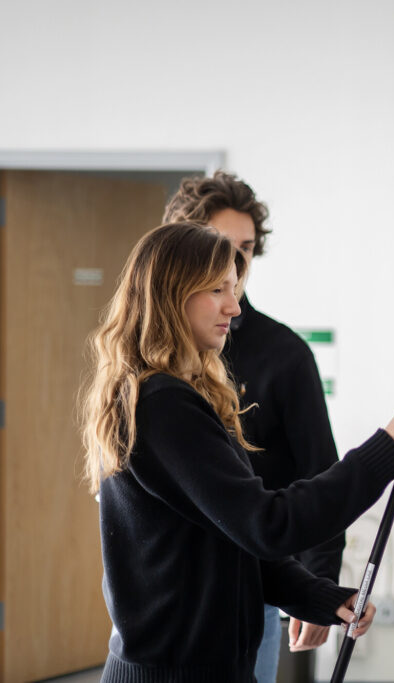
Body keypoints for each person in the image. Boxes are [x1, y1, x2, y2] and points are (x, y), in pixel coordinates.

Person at [80, 222, 394, 682]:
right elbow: (268, 524)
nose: (233, 306)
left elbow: (233, 543)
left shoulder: (179, 395)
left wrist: (320, 597)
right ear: (171, 295)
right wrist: (386, 451)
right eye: (216, 290)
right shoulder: (162, 405)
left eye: (235, 287)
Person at [163, 171, 338, 681]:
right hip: (164, 601)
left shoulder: (284, 354)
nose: (237, 265)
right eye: (222, 247)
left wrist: (316, 585)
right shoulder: (150, 368)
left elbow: (319, 474)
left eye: (247, 249)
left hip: (253, 590)